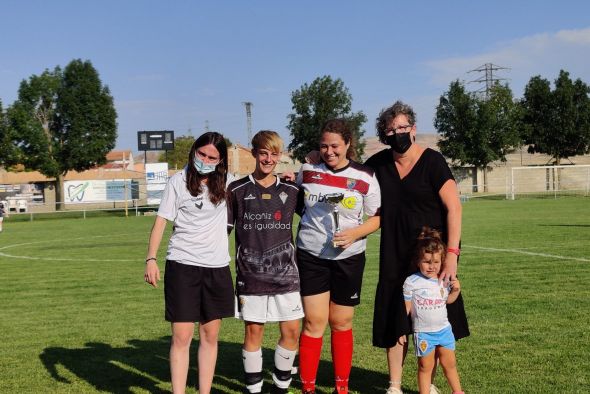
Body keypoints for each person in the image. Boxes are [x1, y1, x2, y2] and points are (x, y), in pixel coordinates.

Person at [365, 101, 469, 394]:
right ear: (384, 136)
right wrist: (312, 161)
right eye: (390, 130)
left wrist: (451, 256)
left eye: (402, 127)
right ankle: (395, 385)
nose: (397, 133)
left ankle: (429, 382)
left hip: (432, 255)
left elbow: (454, 208)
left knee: (432, 319)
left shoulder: (433, 161)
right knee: (396, 318)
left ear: (413, 129)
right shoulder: (378, 165)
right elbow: (348, 173)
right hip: (394, 254)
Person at [144, 132, 235, 394]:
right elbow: (161, 221)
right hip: (182, 266)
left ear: (220, 161)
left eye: (211, 157)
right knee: (181, 337)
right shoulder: (178, 181)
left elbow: (256, 187)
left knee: (210, 336)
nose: (205, 160)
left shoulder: (228, 183)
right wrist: (151, 258)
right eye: (201, 154)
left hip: (217, 268)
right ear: (194, 151)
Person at [296, 119, 381, 394]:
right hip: (311, 255)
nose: (329, 151)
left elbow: (378, 217)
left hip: (350, 257)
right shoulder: (308, 170)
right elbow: (299, 205)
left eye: (335, 145)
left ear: (347, 144)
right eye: (323, 146)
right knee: (313, 321)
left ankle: (341, 388)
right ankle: (308, 387)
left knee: (342, 322)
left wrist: (355, 233)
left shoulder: (366, 176)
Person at [227, 130, 303, 394]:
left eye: (274, 154)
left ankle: (280, 388)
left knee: (292, 332)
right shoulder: (236, 189)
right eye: (263, 153)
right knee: (253, 334)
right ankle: (254, 391)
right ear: (254, 153)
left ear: (280, 156)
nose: (268, 159)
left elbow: (315, 209)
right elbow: (222, 230)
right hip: (251, 276)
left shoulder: (292, 189)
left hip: (286, 275)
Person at [403, 227, 464, 394]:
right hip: (423, 334)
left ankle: (458, 392)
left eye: (436, 262)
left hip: (444, 331)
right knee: (425, 366)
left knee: (449, 364)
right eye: (426, 262)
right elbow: (406, 308)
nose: (431, 266)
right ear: (418, 261)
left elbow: (447, 301)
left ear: (442, 261)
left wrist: (455, 291)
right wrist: (402, 330)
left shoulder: (443, 279)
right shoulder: (411, 282)